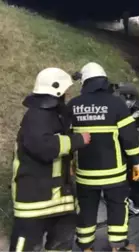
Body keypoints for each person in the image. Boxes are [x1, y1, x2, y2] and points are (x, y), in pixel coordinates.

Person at [9, 68, 91, 252]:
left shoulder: (55, 115)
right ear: (57, 91)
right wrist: (77, 140)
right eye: (66, 92)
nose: (68, 95)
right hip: (35, 201)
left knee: (61, 245)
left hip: (60, 201)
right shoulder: (36, 116)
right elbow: (44, 147)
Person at [68, 62, 139, 252]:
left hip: (85, 173)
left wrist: (69, 164)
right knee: (118, 207)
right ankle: (117, 246)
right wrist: (137, 163)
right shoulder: (116, 103)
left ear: (85, 82)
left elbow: (66, 138)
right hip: (114, 173)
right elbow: (129, 137)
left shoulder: (73, 105)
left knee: (86, 210)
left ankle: (86, 247)